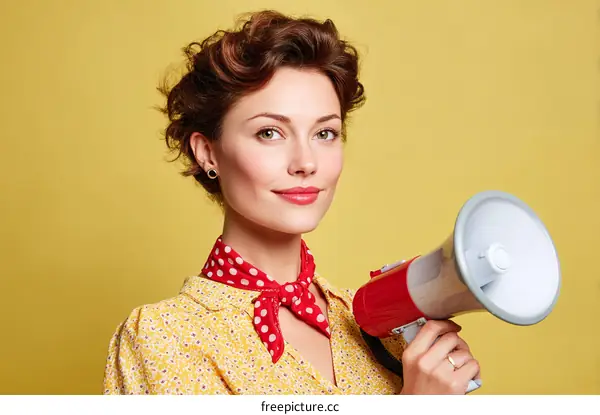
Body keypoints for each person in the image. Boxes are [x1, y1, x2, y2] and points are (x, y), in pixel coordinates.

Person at [103, 9, 481, 395]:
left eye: (325, 133)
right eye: (270, 132)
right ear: (207, 153)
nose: (306, 163)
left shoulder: (372, 319)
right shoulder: (163, 337)